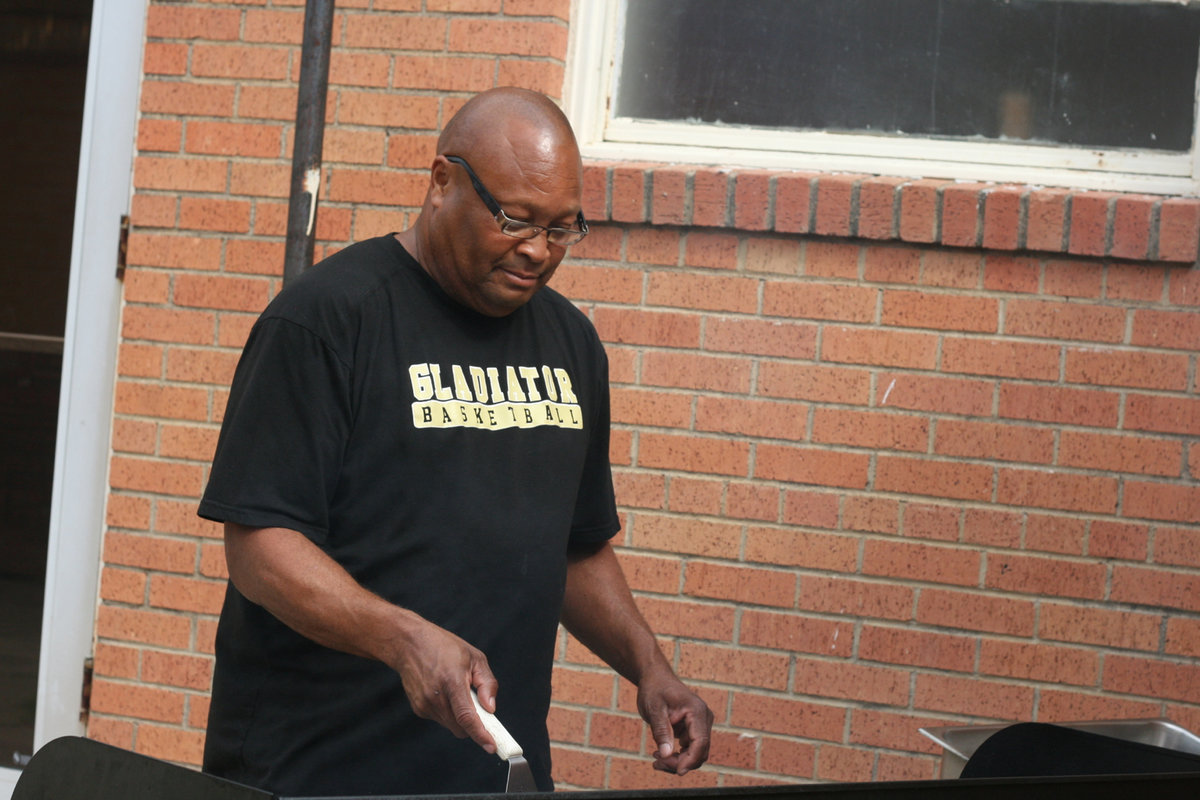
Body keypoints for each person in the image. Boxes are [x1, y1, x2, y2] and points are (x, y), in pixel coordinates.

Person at [197, 87, 712, 796]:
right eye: (515, 220)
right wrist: (402, 638)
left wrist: (648, 666)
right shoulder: (328, 321)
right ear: (442, 182)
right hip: (317, 773)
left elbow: (577, 546)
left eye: (563, 229)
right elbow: (259, 548)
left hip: (495, 775)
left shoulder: (571, 345)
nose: (537, 250)